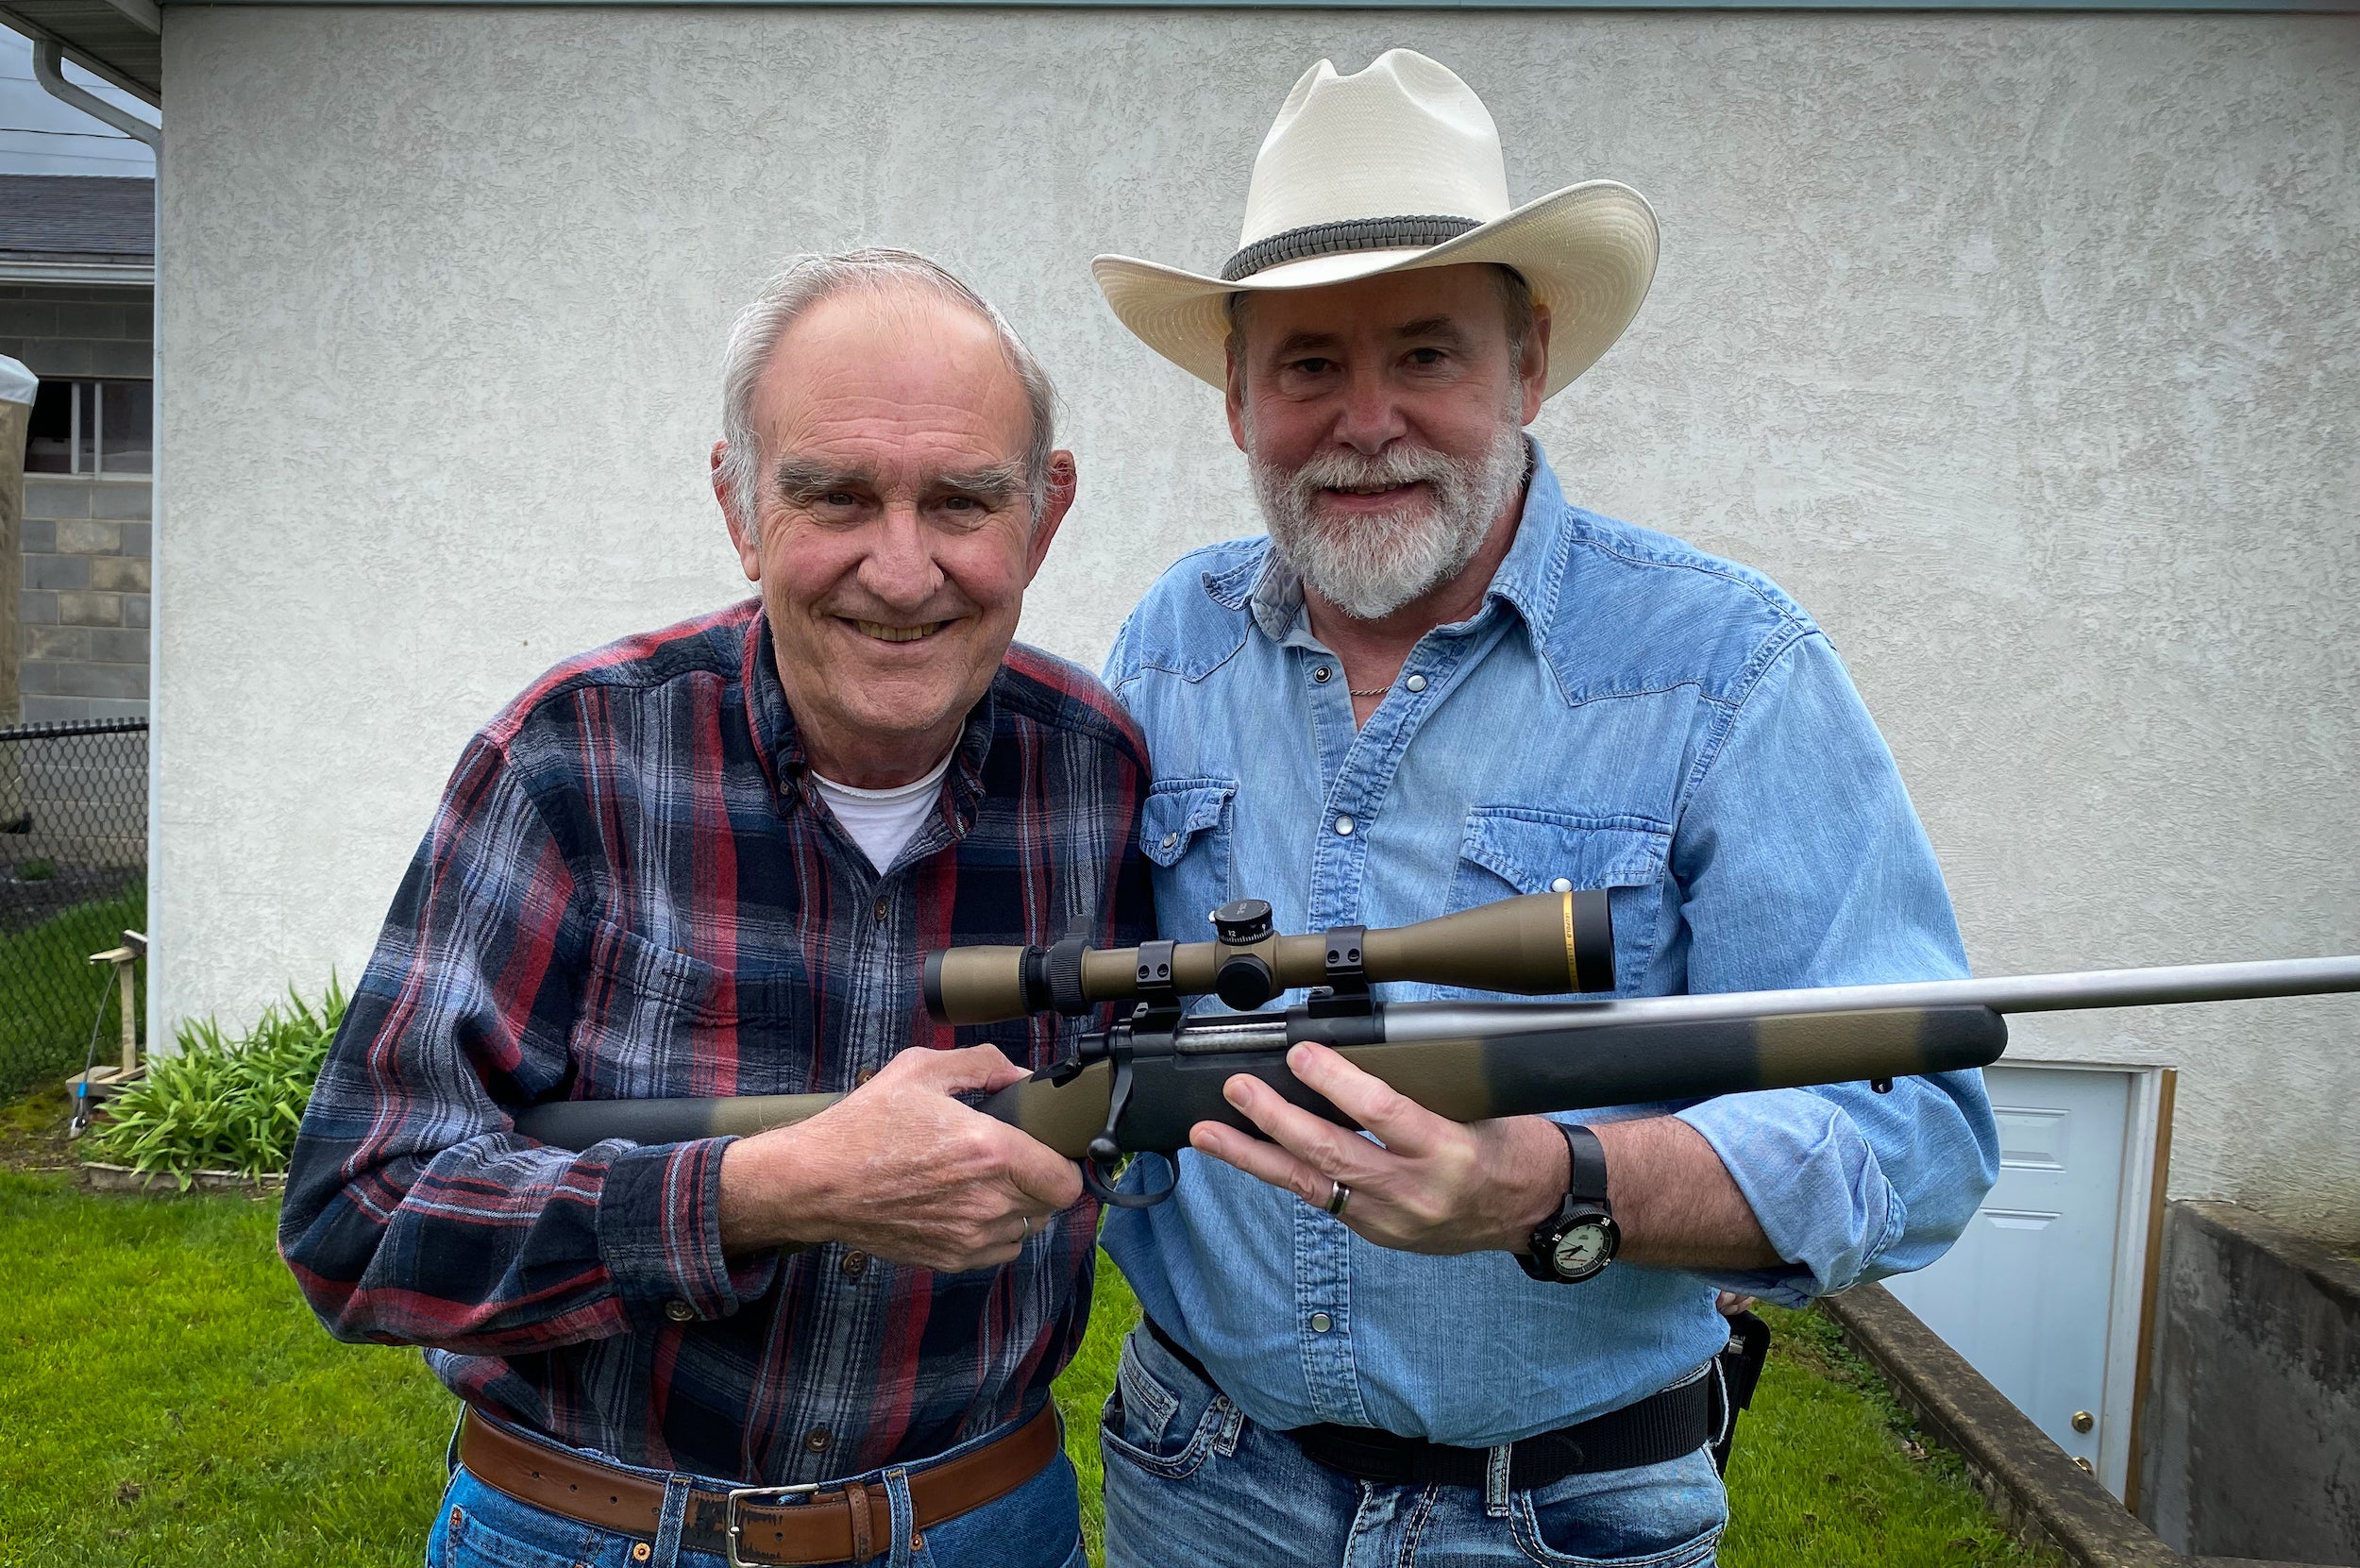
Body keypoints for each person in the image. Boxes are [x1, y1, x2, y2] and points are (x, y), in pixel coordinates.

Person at [1088, 51, 1999, 1566]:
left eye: (1428, 354)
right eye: (1309, 361)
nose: (1366, 418)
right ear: (1237, 395)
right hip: (1203, 1483)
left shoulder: (1726, 669)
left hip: (1563, 1515)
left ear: (1531, 363)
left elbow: (1912, 1129)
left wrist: (1557, 1182)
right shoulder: (1168, 642)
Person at [279, 248, 1153, 1568]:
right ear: (741, 506)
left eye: (963, 500)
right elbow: (359, 1213)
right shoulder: (573, 760)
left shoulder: (1101, 774)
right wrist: (757, 1191)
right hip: (586, 1531)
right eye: (836, 495)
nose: (903, 568)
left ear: (1045, 511)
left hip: (984, 1529)